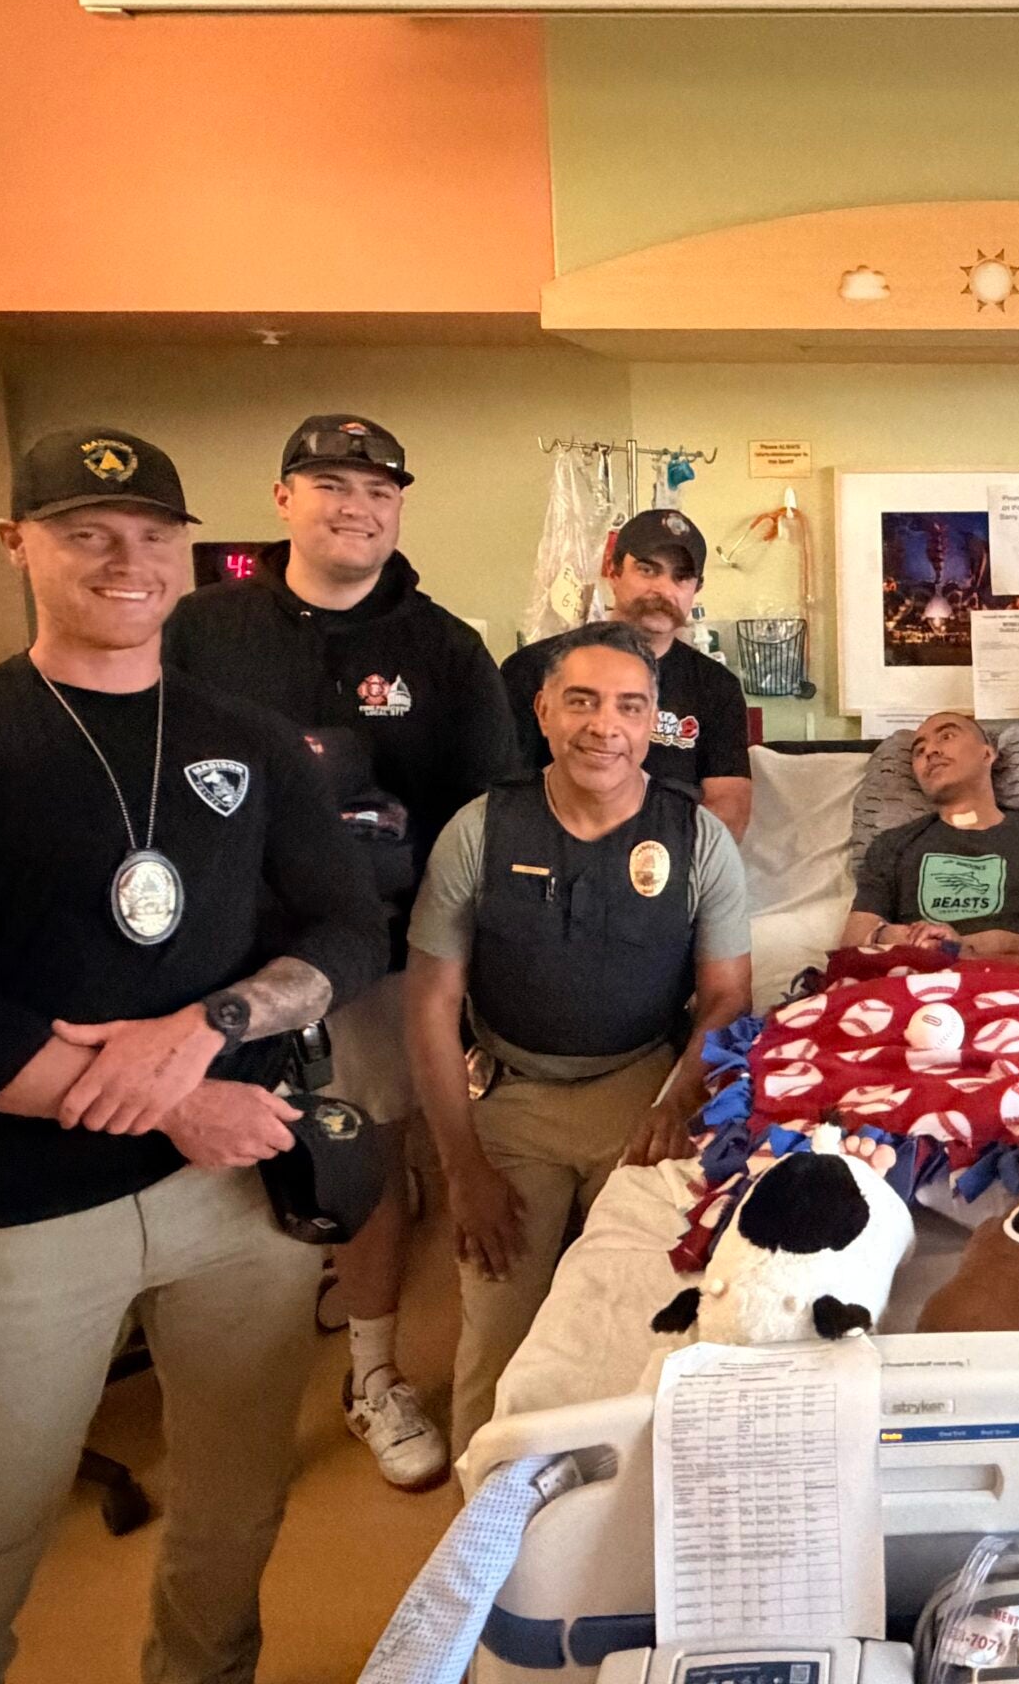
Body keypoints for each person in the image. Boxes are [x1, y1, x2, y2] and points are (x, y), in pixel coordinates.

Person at [0, 427, 385, 1684]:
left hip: (236, 1202)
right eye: (85, 533)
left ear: (188, 557)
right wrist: (178, 1108)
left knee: (235, 1512)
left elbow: (348, 929)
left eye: (153, 538)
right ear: (17, 544)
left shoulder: (248, 739)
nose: (125, 561)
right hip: (27, 1209)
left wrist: (209, 1029)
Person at [165, 411, 515, 1494]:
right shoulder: (201, 628)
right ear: (285, 501)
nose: (353, 505)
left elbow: (482, 815)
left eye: (376, 488)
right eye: (328, 483)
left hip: (372, 950)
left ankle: (371, 1372)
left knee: (358, 1159)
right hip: (217, 951)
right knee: (217, 1174)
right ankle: (228, 1401)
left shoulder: (443, 646)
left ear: (399, 505)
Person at [407, 620, 752, 1453]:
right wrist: (463, 1170)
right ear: (545, 714)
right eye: (583, 702)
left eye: (630, 707)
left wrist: (677, 1102)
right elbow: (427, 1003)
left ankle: (610, 1515)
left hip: (644, 1093)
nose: (606, 725)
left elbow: (726, 998)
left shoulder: (697, 837)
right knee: (496, 1331)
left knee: (643, 1314)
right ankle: (482, 1523)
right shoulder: (480, 830)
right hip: (513, 1095)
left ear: (653, 724)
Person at [500, 508, 752, 841]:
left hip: (664, 868)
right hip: (550, 861)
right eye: (648, 570)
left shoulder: (717, 688)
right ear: (613, 571)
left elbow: (729, 811)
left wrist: (646, 863)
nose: (664, 589)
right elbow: (506, 792)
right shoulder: (532, 669)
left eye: (681, 577)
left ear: (697, 588)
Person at [840, 711, 1019, 956]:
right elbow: (852, 944)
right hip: (915, 984)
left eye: (947, 736)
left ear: (987, 754)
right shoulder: (892, 845)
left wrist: (990, 944)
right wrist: (898, 936)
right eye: (918, 751)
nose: (930, 751)